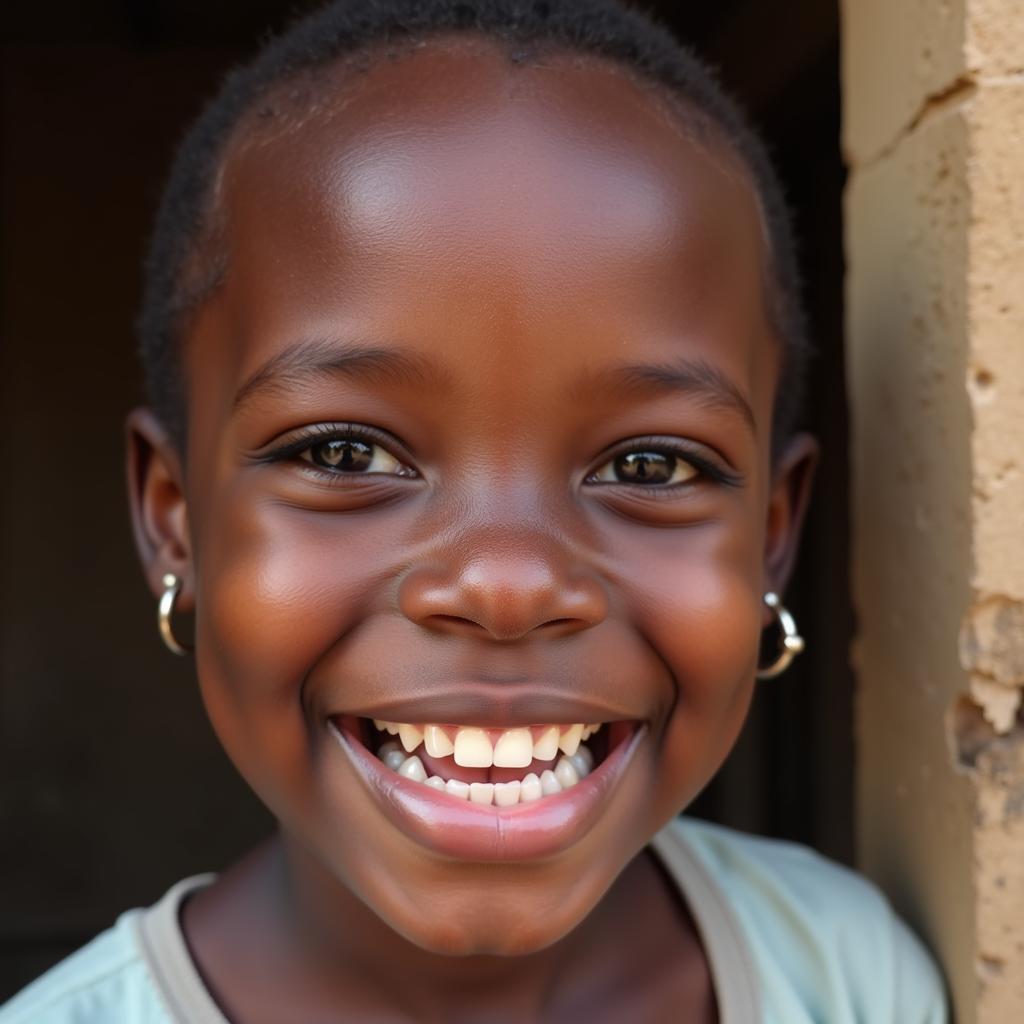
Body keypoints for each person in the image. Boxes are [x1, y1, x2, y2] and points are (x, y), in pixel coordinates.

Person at [1, 1, 948, 1021]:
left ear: (771, 533)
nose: (506, 583)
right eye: (345, 453)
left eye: (650, 463)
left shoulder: (846, 971)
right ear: (175, 515)